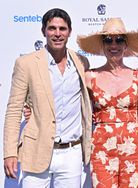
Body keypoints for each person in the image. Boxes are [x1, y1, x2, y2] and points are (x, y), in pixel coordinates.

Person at [3, 8, 92, 188]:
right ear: (43, 31)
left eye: (62, 29)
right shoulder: (26, 63)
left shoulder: (82, 62)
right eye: (52, 28)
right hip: (37, 150)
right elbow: (13, 110)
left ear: (69, 32)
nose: (57, 34)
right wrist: (9, 152)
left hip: (71, 153)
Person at [77, 18, 138, 187]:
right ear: (102, 45)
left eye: (119, 40)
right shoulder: (89, 77)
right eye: (108, 40)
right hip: (101, 147)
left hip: (133, 148)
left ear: (126, 44)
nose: (113, 45)